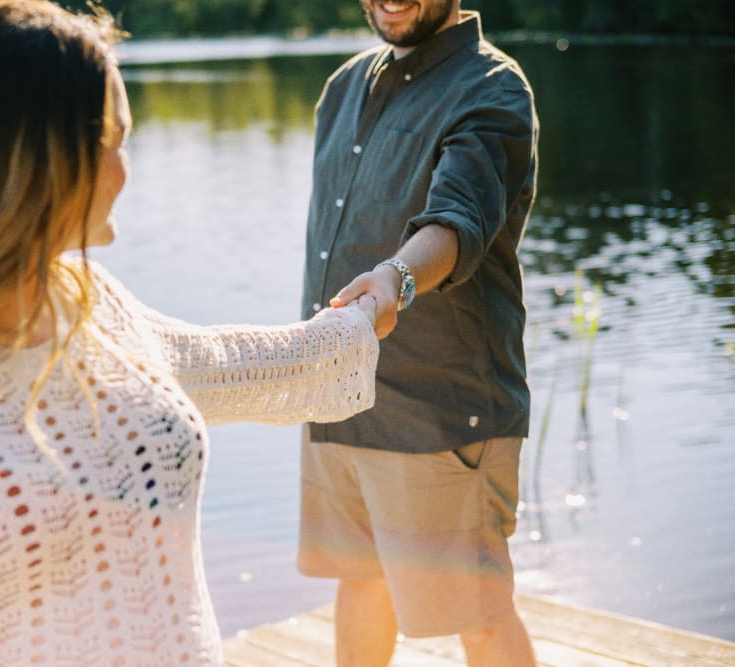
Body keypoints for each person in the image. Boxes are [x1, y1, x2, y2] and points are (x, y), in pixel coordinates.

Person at [0, 2, 382, 664]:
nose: (127, 172)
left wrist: (373, 307)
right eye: (117, 143)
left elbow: (235, 366)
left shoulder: (89, 303)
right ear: (40, 164)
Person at [297, 1, 539, 666]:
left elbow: (458, 220)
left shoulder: (492, 89)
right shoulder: (344, 86)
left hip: (440, 414)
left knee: (480, 617)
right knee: (360, 579)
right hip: (340, 400)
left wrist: (393, 280)